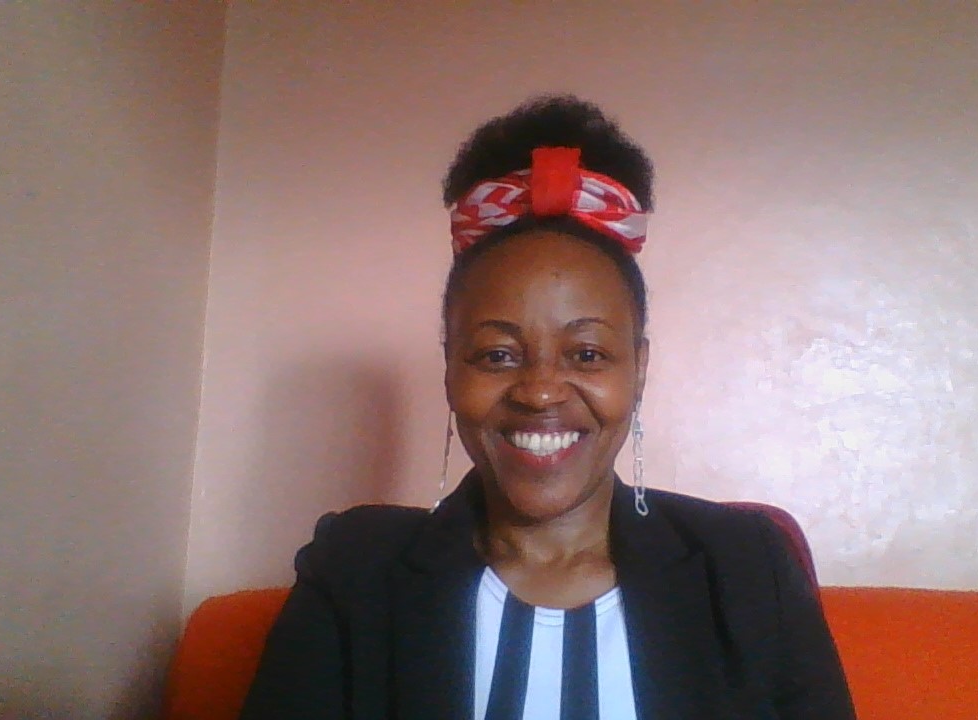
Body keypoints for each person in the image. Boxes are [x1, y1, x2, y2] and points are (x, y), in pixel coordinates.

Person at [239, 95, 856, 720]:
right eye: (497, 355)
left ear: (639, 368)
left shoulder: (747, 566)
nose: (539, 391)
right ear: (450, 368)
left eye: (587, 354)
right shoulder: (354, 569)